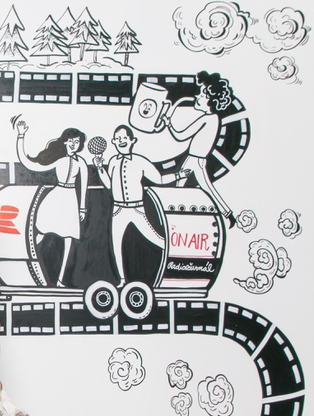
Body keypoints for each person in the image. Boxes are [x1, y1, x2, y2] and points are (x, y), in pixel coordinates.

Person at [94, 125, 187, 286]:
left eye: (125, 138)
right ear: (114, 142)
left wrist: (178, 175)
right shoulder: (113, 161)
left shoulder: (140, 161)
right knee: (116, 245)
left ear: (132, 141)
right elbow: (109, 184)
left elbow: (159, 179)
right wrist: (100, 168)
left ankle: (178, 262)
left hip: (136, 209)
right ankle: (122, 280)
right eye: (118, 139)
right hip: (118, 210)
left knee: (157, 239)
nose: (121, 141)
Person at [15, 122, 89, 287]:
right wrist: (21, 136)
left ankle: (61, 280)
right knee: (39, 232)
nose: (74, 144)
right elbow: (29, 164)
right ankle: (26, 264)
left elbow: (83, 186)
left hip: (71, 201)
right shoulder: (59, 161)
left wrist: (82, 208)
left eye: (77, 142)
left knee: (69, 239)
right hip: (56, 198)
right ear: (65, 142)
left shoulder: (81, 163)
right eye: (71, 141)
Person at [164, 70, 237, 228]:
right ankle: (226, 214)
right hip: (195, 159)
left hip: (196, 160)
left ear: (211, 99)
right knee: (187, 187)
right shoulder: (214, 119)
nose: (197, 96)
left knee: (192, 188)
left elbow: (181, 135)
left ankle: (177, 219)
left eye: (202, 94)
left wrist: (168, 123)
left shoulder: (207, 119)